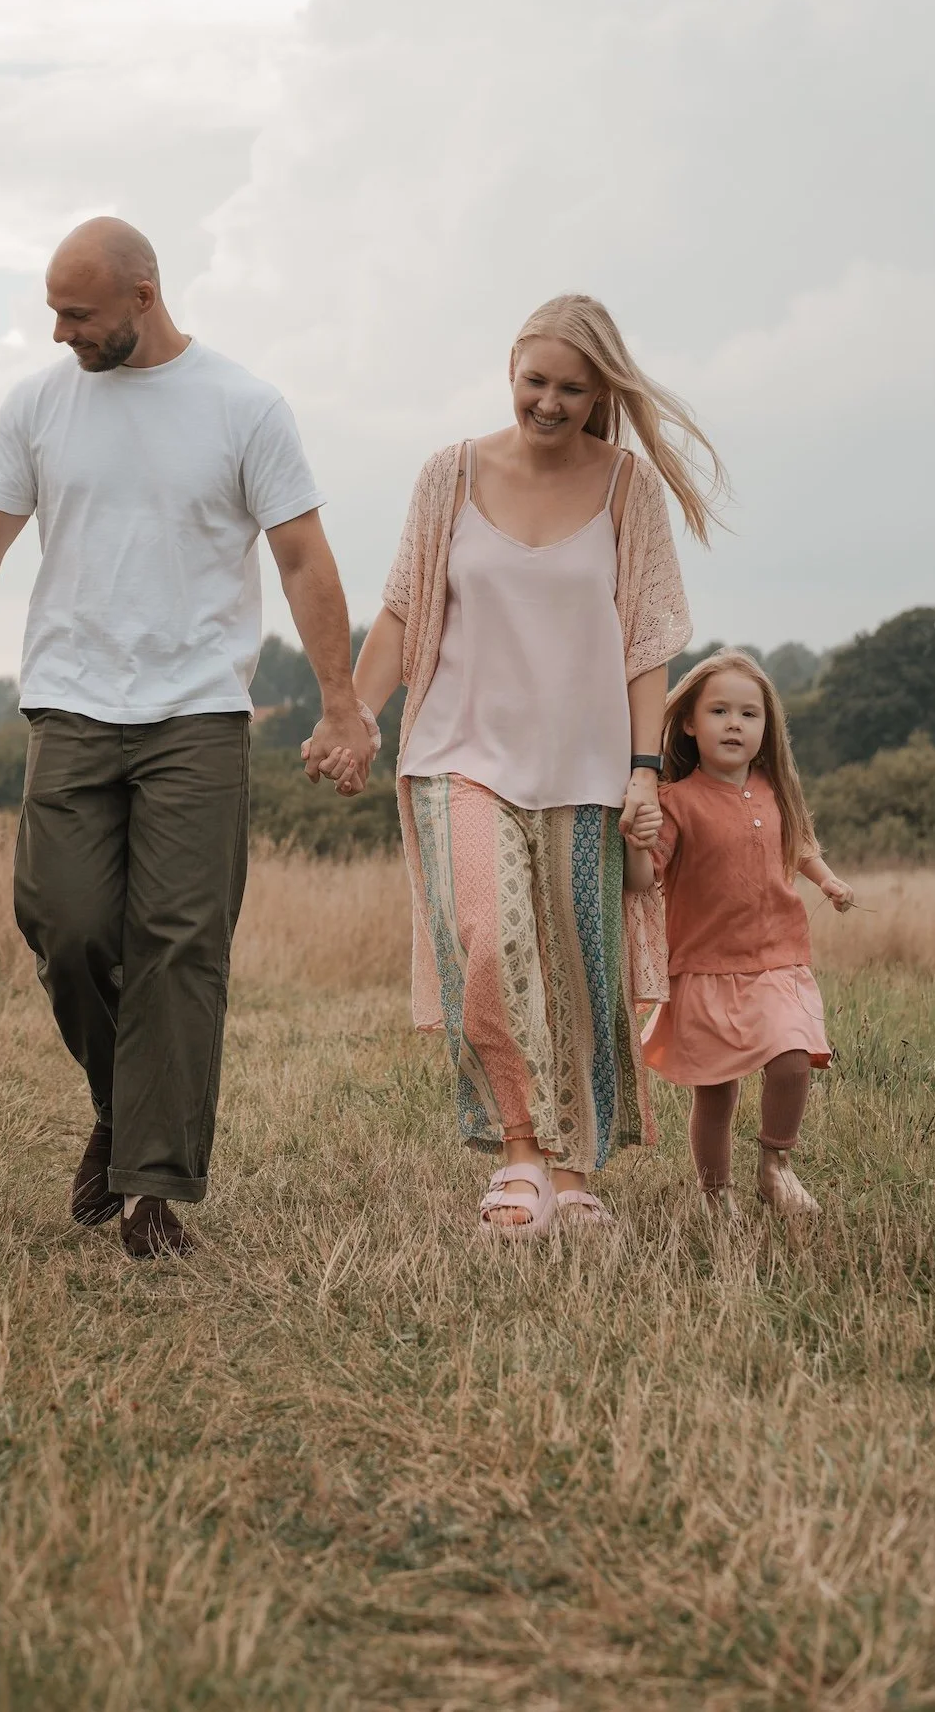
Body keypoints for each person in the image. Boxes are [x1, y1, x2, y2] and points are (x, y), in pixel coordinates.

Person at [0, 217, 374, 1259]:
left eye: (78, 313)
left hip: (197, 710)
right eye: (54, 310)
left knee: (181, 948)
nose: (60, 332)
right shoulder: (38, 406)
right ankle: (125, 1105)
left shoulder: (244, 405)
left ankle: (154, 1192)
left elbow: (304, 558)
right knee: (67, 923)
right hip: (72, 701)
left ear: (145, 295)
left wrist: (339, 701)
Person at [321, 294, 722, 1235]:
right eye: (535, 381)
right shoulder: (449, 475)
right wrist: (355, 718)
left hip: (584, 767)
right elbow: (405, 611)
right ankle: (517, 1152)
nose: (548, 402)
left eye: (571, 390)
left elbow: (646, 645)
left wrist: (641, 770)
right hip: (456, 749)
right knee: (488, 937)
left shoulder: (628, 489)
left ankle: (576, 1168)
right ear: (511, 369)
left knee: (581, 966)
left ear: (600, 394)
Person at [626, 650, 853, 1219]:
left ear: (765, 728)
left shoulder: (776, 790)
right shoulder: (674, 802)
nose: (734, 723)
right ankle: (715, 1192)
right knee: (717, 1089)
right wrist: (632, 839)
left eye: (749, 714)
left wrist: (827, 881)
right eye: (719, 710)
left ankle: (775, 1165)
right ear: (688, 723)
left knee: (794, 1059)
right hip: (705, 966)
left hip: (779, 959)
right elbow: (644, 879)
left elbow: (796, 843)